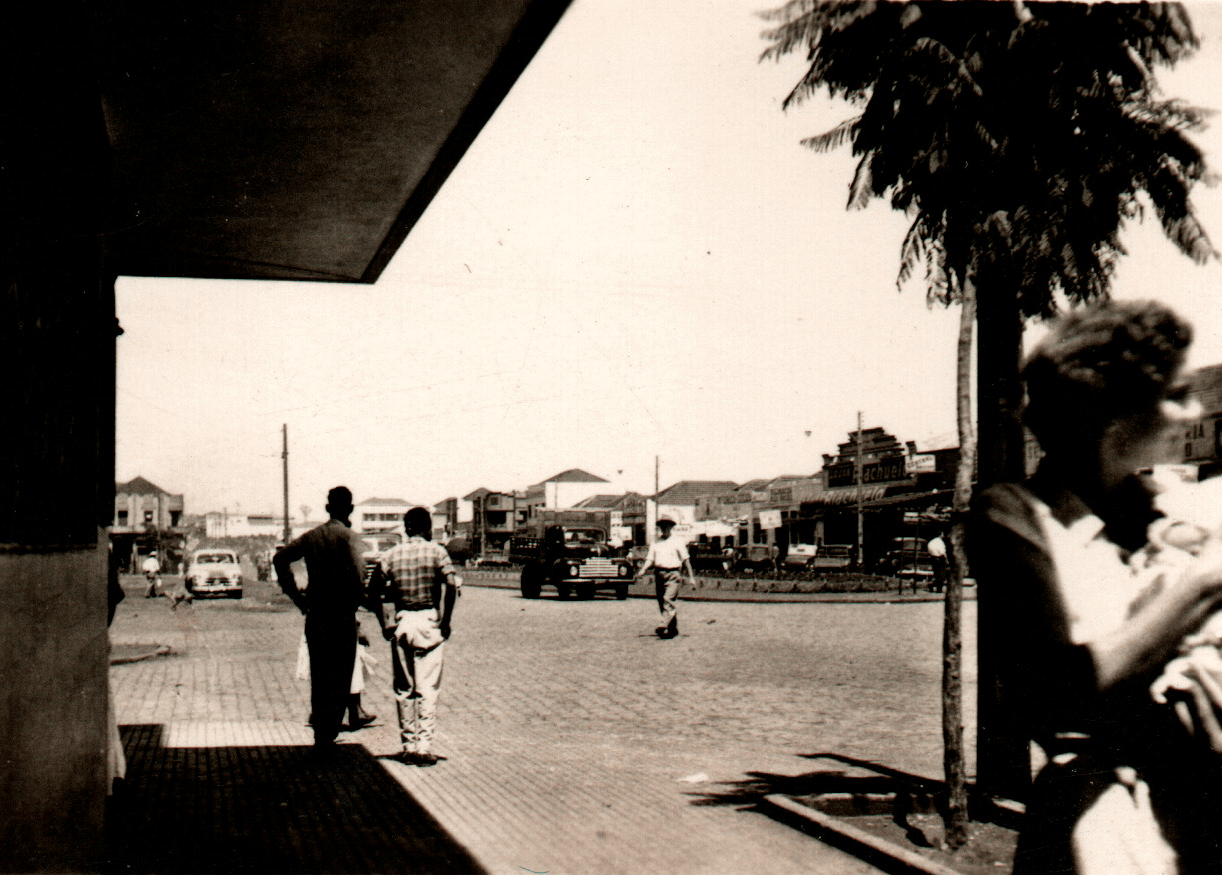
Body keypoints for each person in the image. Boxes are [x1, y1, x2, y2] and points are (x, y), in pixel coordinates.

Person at [969, 300, 1222, 874]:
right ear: (1115, 416)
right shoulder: (1016, 517)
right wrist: (1200, 586)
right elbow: (1055, 692)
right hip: (1100, 825)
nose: (1194, 411)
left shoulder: (1169, 510)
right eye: (1177, 395)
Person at [274, 486, 369, 753]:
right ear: (350, 509)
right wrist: (357, 601)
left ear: (328, 508)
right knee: (341, 676)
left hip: (316, 616)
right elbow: (360, 576)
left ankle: (321, 736)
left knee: (320, 676)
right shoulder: (349, 537)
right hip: (342, 616)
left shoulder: (312, 536)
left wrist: (296, 596)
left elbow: (280, 558)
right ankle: (330, 733)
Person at [368, 506, 460, 767]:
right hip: (429, 621)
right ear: (427, 527)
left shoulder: (391, 554)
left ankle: (408, 747)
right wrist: (446, 620)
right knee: (427, 688)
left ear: (407, 528)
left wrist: (384, 623)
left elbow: (373, 590)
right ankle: (424, 747)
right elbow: (451, 584)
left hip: (402, 622)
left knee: (404, 688)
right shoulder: (437, 552)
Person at [637, 516, 696, 639]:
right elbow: (650, 559)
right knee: (662, 602)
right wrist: (643, 570)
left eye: (666, 526)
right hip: (659, 574)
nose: (664, 528)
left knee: (668, 600)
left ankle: (663, 624)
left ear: (671, 527)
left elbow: (686, 560)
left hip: (673, 574)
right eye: (661, 526)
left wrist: (691, 577)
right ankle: (672, 629)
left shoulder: (677, 541)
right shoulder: (655, 543)